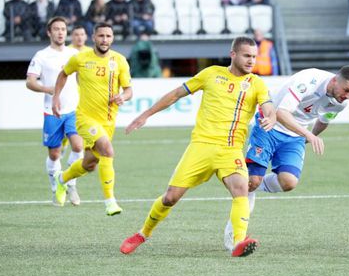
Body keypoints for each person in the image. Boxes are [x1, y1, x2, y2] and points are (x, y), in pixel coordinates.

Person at [120, 36, 277, 257]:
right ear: (233, 54)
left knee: (241, 189)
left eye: (254, 56)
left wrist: (270, 118)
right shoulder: (211, 74)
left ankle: (239, 242)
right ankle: (143, 233)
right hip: (200, 147)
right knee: (170, 198)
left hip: (230, 150)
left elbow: (268, 107)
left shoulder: (257, 84)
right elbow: (176, 94)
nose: (252, 60)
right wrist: (146, 115)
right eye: (247, 56)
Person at [223, 66, 349, 251]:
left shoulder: (341, 102)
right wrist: (310, 136)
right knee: (252, 182)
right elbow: (281, 113)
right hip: (269, 124)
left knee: (288, 182)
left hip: (295, 135)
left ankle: (249, 183)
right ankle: (234, 236)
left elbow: (323, 120)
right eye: (346, 90)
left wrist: (308, 136)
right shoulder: (309, 80)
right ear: (335, 80)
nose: (348, 97)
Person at [52, 22, 133, 216]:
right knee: (107, 149)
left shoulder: (120, 60)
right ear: (94, 38)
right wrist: (56, 97)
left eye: (108, 36)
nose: (105, 40)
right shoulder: (80, 58)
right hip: (85, 118)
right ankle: (110, 202)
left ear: (112, 38)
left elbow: (129, 89)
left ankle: (61, 179)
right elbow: (63, 74)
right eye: (101, 36)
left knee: (90, 163)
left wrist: (123, 96)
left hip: (108, 121)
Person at [26, 17, 83, 206]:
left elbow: (84, 77)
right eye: (56, 29)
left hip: (74, 109)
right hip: (52, 111)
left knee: (78, 146)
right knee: (55, 154)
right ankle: (56, 188)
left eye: (63, 29)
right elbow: (30, 81)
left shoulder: (74, 54)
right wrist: (47, 89)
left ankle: (71, 183)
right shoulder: (42, 56)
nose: (60, 32)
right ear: (49, 33)